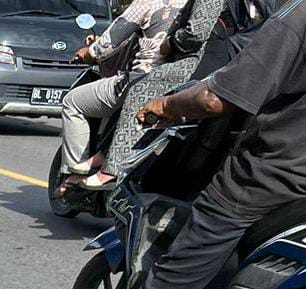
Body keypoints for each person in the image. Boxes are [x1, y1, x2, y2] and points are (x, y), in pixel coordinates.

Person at [24, 0, 306, 289]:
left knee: (177, 273)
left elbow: (216, 97)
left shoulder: (300, 15)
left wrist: (166, 106)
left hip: (267, 179)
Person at [81, 0, 225, 189]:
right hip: (221, 60)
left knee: (139, 91)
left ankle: (113, 170)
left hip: (196, 61)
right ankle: (105, 154)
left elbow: (196, 33)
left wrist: (171, 42)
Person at [59, 0, 188, 190]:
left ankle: (76, 173)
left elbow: (109, 44)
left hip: (143, 78)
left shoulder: (149, 2)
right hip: (187, 84)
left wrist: (88, 52)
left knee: (72, 101)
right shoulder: (198, 7)